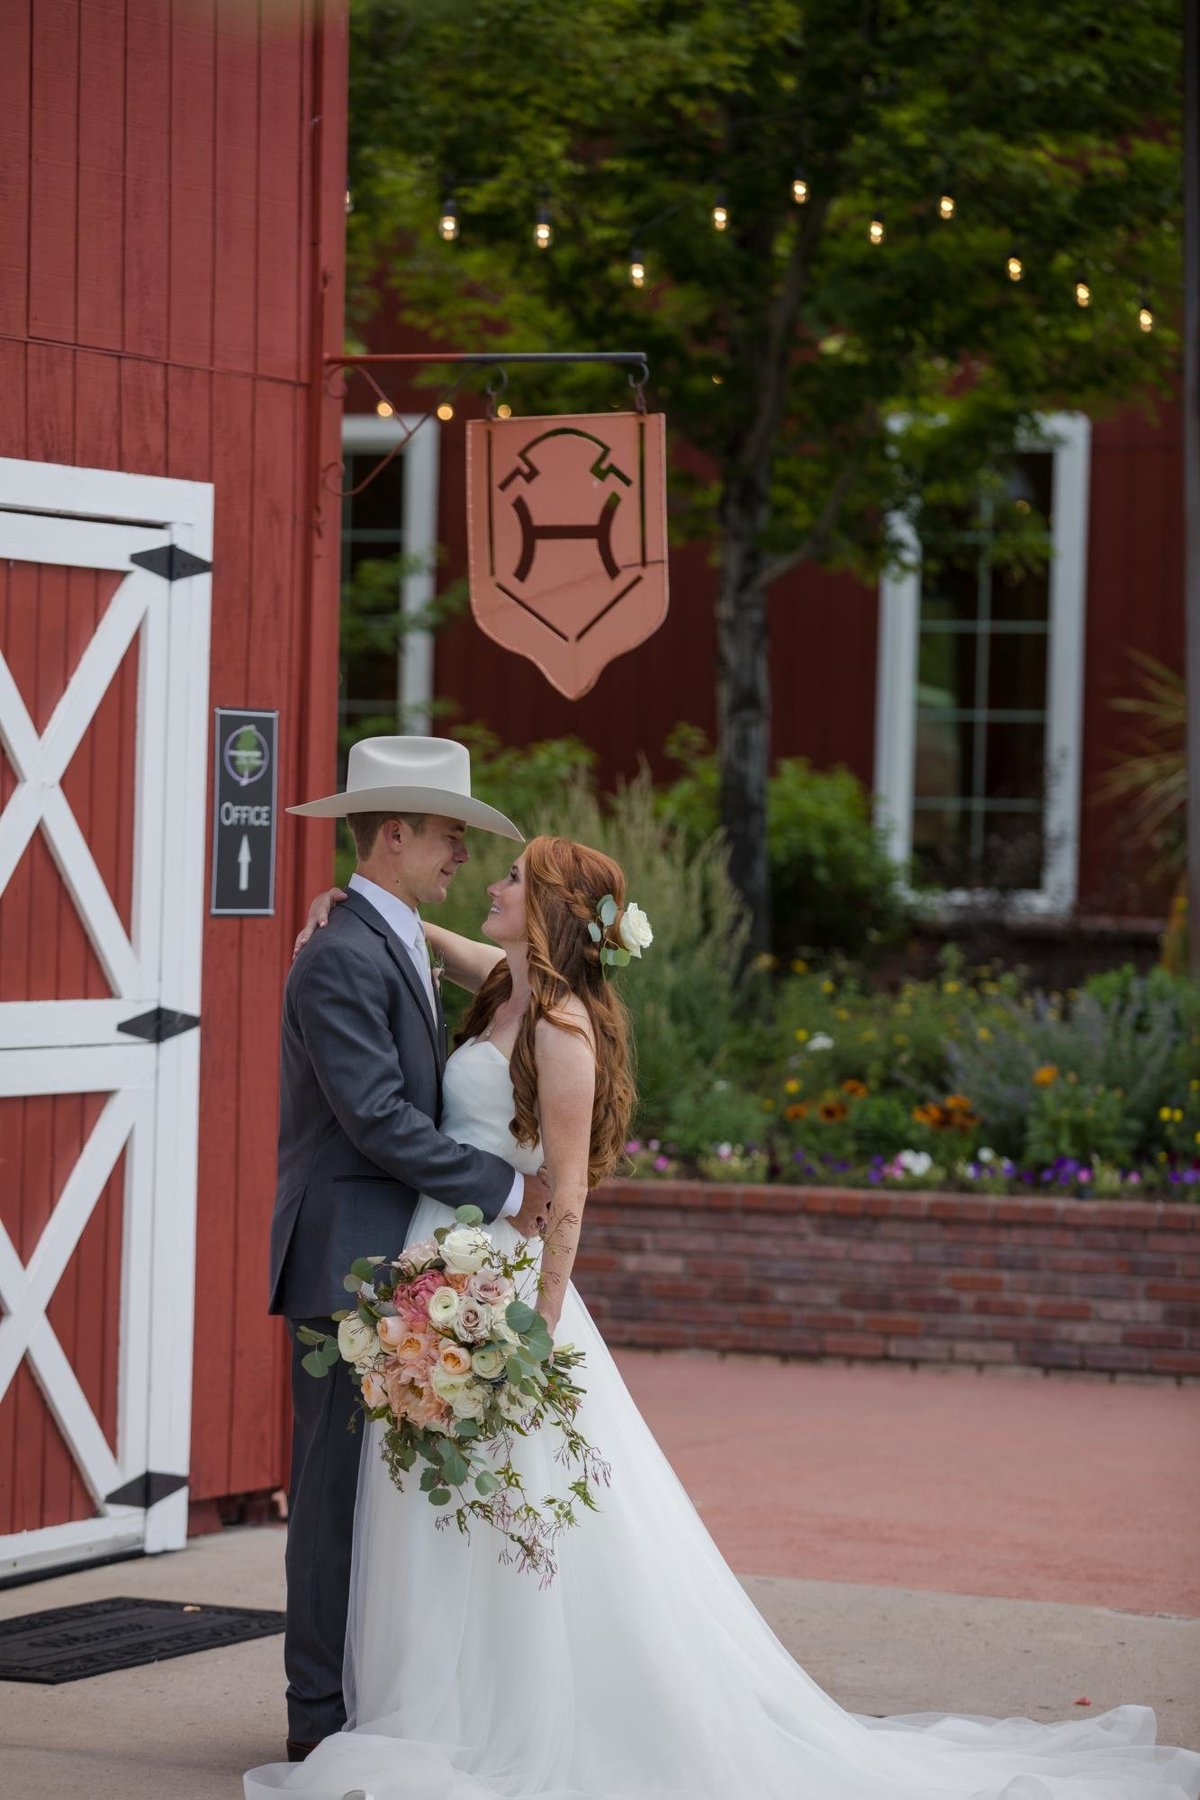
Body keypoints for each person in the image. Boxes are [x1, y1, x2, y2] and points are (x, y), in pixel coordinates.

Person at [247, 828, 1200, 1800]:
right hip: (437, 1262)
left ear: (545, 912)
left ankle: (503, 1713)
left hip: (502, 1288)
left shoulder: (564, 1028)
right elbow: (474, 953)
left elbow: (568, 1197)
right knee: (431, 1513)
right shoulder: (512, 984)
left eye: (512, 879)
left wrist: (530, 1324)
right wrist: (365, 913)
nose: (491, 884)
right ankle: (428, 1703)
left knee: (511, 1510)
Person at [269, 736, 550, 1763]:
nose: (460, 859)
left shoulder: (383, 936)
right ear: (393, 834)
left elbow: (532, 972)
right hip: (347, 1257)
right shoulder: (342, 957)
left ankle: (381, 1701)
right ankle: (316, 1725)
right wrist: (512, 1188)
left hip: (403, 1256)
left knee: (387, 1506)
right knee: (336, 1496)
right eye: (445, 837)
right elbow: (381, 1120)